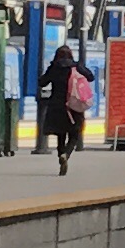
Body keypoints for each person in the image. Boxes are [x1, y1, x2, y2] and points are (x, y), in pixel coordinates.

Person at [37, 34, 93, 175]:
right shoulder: (76, 67)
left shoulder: (54, 67)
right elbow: (91, 77)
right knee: (74, 134)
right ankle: (66, 154)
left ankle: (60, 154)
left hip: (57, 106)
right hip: (74, 106)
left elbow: (42, 82)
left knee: (60, 134)